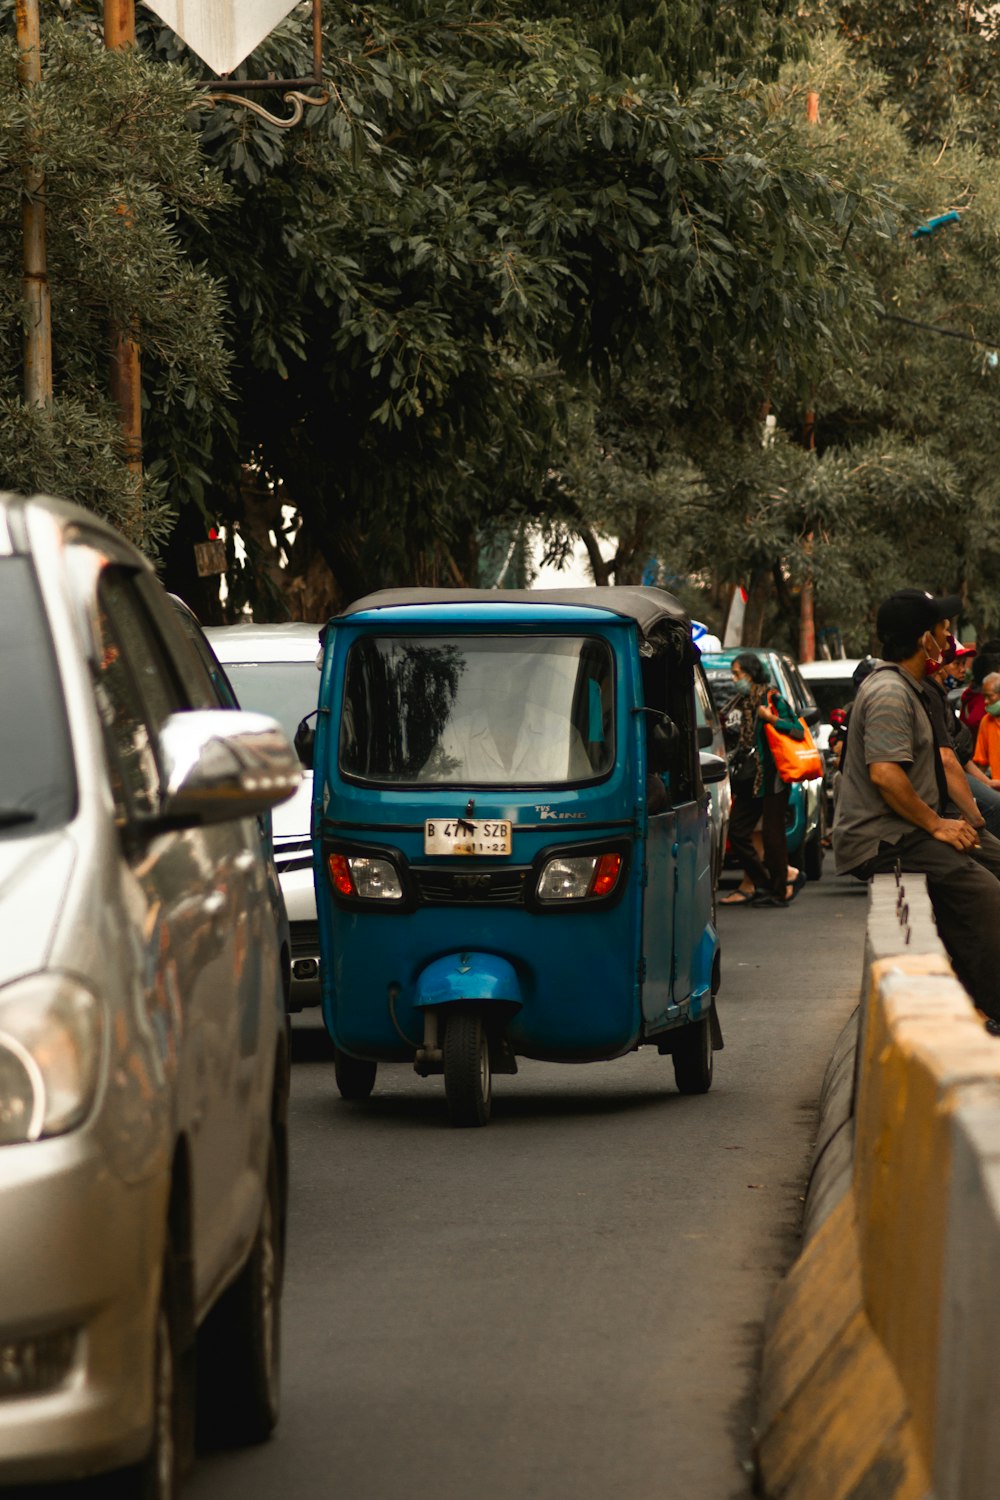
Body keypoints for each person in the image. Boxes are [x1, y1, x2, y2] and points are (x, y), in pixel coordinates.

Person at [832, 588, 1000, 1029]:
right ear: (925, 639)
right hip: (883, 838)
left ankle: (974, 990)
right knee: (983, 893)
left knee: (991, 862)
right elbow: (886, 775)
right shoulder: (889, 691)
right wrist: (939, 826)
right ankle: (992, 1005)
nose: (948, 639)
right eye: (944, 630)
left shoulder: (909, 686)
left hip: (908, 829)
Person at [721, 652, 806, 908]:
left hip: (772, 778)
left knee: (773, 837)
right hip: (750, 780)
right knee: (736, 831)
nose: (735, 679)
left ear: (751, 673)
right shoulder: (741, 701)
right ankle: (766, 882)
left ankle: (780, 890)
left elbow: (798, 730)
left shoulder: (771, 698)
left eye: (738, 674)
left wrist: (771, 719)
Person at [973, 672, 1000, 778]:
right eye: (984, 697)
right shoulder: (986, 721)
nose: (986, 701)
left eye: (989, 696)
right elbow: (981, 761)